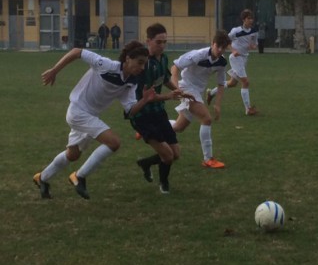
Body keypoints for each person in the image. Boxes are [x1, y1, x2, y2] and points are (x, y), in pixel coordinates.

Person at [33, 41, 155, 200]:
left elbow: (130, 110)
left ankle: (42, 178)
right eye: (140, 62)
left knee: (73, 154)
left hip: (90, 116)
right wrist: (54, 70)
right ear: (127, 59)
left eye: (144, 64)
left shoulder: (131, 82)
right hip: (77, 111)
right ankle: (79, 176)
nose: (142, 67)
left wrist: (144, 101)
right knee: (114, 142)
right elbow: (77, 51)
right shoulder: (106, 65)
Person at [129, 23, 193, 194]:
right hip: (143, 116)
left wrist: (178, 91)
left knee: (176, 153)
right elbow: (146, 98)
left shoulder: (162, 58)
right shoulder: (142, 64)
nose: (162, 45)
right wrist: (168, 96)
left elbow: (164, 78)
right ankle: (164, 184)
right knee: (168, 155)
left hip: (158, 112)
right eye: (158, 42)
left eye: (165, 42)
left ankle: (146, 163)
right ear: (148, 41)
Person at [170, 30, 231, 169]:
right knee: (206, 119)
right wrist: (176, 88)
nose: (220, 50)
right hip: (186, 87)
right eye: (218, 46)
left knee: (179, 127)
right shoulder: (198, 55)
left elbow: (221, 84)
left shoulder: (222, 62)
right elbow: (175, 67)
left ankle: (151, 127)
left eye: (223, 47)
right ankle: (208, 159)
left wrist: (218, 104)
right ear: (212, 44)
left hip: (198, 92)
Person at [207, 9, 258, 116]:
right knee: (245, 82)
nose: (251, 20)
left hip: (244, 58)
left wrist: (253, 46)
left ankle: (211, 93)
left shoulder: (254, 31)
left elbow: (254, 44)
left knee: (232, 83)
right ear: (244, 20)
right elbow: (226, 40)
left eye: (251, 18)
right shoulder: (236, 31)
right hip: (235, 58)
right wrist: (233, 50)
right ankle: (248, 109)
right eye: (248, 18)